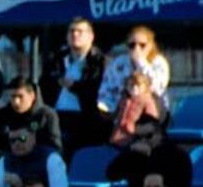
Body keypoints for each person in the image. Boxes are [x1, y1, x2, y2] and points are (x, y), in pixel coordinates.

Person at [39, 18, 107, 150]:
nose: (75, 35)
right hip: (57, 116)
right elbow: (44, 87)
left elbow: (99, 92)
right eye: (72, 31)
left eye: (80, 31)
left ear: (91, 37)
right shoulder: (57, 59)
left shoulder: (100, 62)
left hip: (85, 120)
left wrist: (74, 86)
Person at [105, 117, 192, 187]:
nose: (144, 140)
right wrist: (128, 154)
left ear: (160, 135)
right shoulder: (134, 154)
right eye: (139, 137)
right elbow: (111, 174)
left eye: (148, 136)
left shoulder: (177, 155)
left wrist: (151, 156)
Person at [97, 26, 170, 118]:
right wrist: (107, 108)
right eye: (132, 45)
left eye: (142, 45)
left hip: (152, 113)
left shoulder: (159, 62)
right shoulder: (118, 63)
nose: (136, 49)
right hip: (122, 112)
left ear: (150, 46)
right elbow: (106, 88)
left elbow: (158, 87)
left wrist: (141, 62)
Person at [0, 125, 69, 187]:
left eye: (22, 138)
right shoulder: (4, 161)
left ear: (33, 136)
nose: (17, 144)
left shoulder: (51, 158)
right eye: (12, 140)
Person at [109, 71, 161, 147]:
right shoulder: (124, 99)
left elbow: (152, 121)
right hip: (117, 137)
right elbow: (117, 116)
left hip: (134, 138)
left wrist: (137, 131)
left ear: (145, 86)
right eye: (131, 85)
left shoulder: (147, 101)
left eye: (138, 85)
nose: (134, 88)